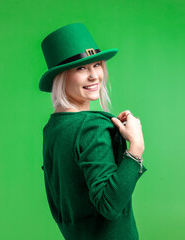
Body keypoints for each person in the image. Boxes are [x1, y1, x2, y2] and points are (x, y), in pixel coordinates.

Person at [39, 23, 148, 240]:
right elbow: (110, 205)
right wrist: (136, 149)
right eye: (81, 68)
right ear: (61, 76)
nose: (94, 76)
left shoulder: (53, 128)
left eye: (96, 65)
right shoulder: (92, 127)